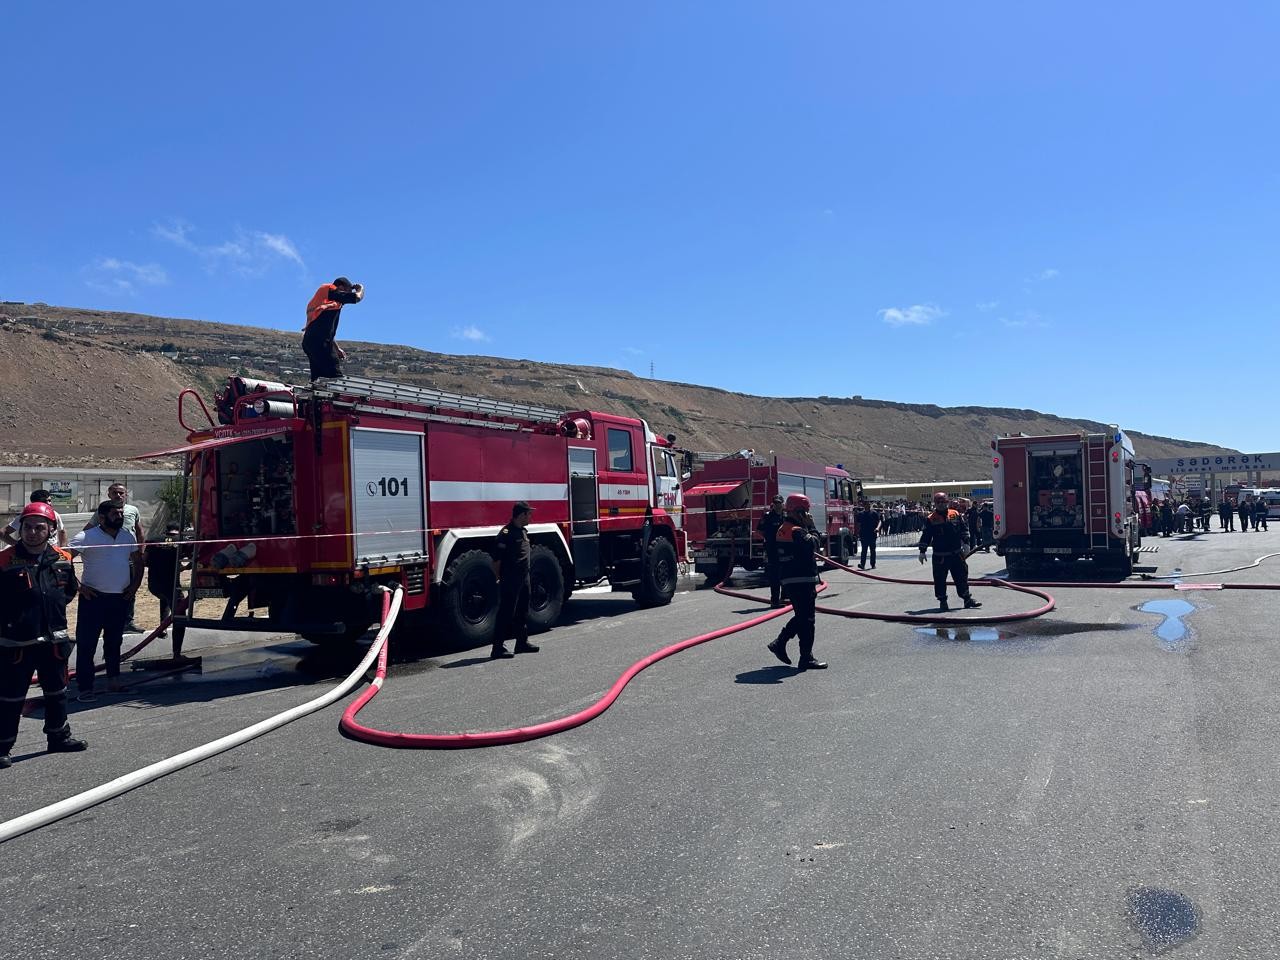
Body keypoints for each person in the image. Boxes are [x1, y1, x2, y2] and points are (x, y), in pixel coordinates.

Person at [0, 503, 87, 768]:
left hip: (54, 641)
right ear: (21, 529)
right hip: (16, 643)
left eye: (40, 528)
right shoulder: (4, 560)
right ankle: (2, 746)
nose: (33, 532)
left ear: (50, 530)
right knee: (10, 697)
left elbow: (69, 592)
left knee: (57, 692)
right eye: (28, 527)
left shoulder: (63, 558)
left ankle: (58, 736)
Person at [68, 501, 143, 700]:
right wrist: (79, 586)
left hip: (120, 599)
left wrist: (134, 586)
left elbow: (138, 561)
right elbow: (62, 559)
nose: (119, 516)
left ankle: (114, 682)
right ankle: (85, 688)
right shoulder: (87, 536)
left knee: (114, 642)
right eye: (114, 514)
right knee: (87, 644)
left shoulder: (128, 536)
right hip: (93, 600)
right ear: (101, 517)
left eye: (121, 513)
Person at [765, 494, 827, 671]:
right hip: (801, 579)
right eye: (806, 512)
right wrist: (812, 527)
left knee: (803, 617)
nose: (807, 515)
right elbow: (814, 544)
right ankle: (804, 657)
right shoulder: (796, 530)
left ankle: (781, 643)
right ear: (799, 512)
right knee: (807, 619)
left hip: (790, 579)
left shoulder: (784, 528)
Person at [83, 484, 145, 632]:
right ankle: (109, 622)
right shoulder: (103, 510)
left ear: (126, 495)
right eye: (115, 493)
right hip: (110, 554)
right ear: (109, 494)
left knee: (130, 589)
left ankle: (128, 621)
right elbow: (88, 529)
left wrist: (141, 551)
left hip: (129, 554)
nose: (118, 495)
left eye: (121, 493)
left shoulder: (133, 510)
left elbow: (139, 531)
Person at [918, 491, 981, 612]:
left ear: (947, 502)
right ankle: (943, 601)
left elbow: (963, 529)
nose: (941, 504)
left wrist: (966, 543)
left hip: (956, 554)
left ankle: (967, 599)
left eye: (943, 502)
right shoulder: (931, 519)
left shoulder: (955, 514)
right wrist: (922, 551)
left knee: (962, 577)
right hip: (940, 556)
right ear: (935, 504)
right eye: (939, 502)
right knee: (940, 579)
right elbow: (926, 536)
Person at [491, 501, 539, 659]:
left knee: (522, 611)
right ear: (521, 514)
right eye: (529, 514)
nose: (531, 517)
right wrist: (498, 577)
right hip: (510, 578)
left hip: (524, 578)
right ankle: (498, 648)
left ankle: (521, 643)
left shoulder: (523, 531)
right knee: (506, 612)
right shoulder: (506, 533)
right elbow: (496, 560)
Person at [303, 276, 364, 381]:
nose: (347, 295)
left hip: (309, 342)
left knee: (318, 377)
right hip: (320, 342)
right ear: (341, 288)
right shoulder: (330, 290)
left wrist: (337, 348)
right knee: (334, 374)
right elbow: (356, 298)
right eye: (347, 291)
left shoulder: (325, 302)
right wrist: (360, 289)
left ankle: (317, 396)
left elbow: (325, 329)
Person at [145, 521, 190, 659]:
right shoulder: (181, 541)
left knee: (165, 598)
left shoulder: (153, 540)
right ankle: (177, 654)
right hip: (172, 586)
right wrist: (185, 567)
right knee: (179, 616)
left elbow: (145, 561)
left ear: (167, 530)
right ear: (179, 530)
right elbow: (196, 557)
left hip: (154, 585)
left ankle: (162, 628)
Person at [2, 489, 67, 549]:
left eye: (49, 500)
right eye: (44, 501)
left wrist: (62, 549)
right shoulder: (25, 516)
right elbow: (2, 532)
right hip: (30, 554)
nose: (48, 503)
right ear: (34, 503)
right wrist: (17, 546)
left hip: (50, 553)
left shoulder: (55, 514)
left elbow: (62, 531)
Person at [758, 495, 785, 607]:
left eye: (779, 503)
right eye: (775, 503)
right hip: (773, 549)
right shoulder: (768, 516)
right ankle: (774, 600)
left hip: (784, 549)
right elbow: (760, 529)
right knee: (775, 575)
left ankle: (784, 597)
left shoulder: (785, 516)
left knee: (785, 573)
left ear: (782, 504)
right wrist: (769, 539)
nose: (777, 505)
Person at [855, 499, 879, 570]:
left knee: (872, 550)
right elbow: (858, 524)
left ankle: (873, 564)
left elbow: (879, 521)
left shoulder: (874, 513)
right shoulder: (861, 514)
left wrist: (877, 528)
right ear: (863, 505)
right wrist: (857, 533)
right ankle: (862, 564)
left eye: (868, 504)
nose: (867, 505)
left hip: (872, 534)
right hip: (864, 534)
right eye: (865, 504)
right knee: (864, 550)